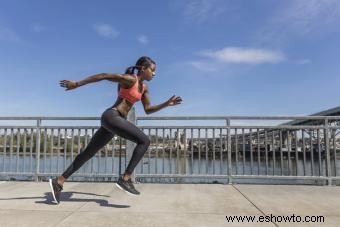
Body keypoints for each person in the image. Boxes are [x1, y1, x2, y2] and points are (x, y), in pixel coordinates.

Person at [49, 56, 182, 204]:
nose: (154, 74)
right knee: (144, 141)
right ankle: (125, 178)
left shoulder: (144, 88)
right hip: (112, 116)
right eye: (152, 70)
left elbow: (148, 109)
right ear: (143, 69)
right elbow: (104, 76)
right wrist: (76, 84)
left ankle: (59, 181)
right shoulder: (130, 79)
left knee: (88, 153)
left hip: (114, 122)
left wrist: (167, 104)